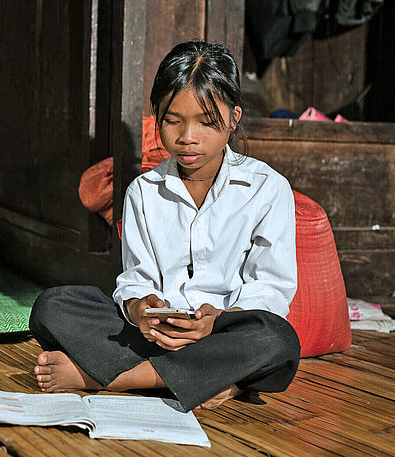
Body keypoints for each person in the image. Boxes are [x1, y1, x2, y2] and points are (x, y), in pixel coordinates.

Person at [28, 40, 301, 412]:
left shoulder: (268, 188)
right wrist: (141, 308)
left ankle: (117, 378)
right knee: (53, 306)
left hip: (226, 332)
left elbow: (271, 289)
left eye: (206, 122)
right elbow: (136, 278)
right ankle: (220, 382)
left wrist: (216, 320)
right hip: (156, 335)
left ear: (234, 118)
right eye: (173, 120)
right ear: (158, 116)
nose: (187, 136)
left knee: (278, 340)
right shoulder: (143, 191)